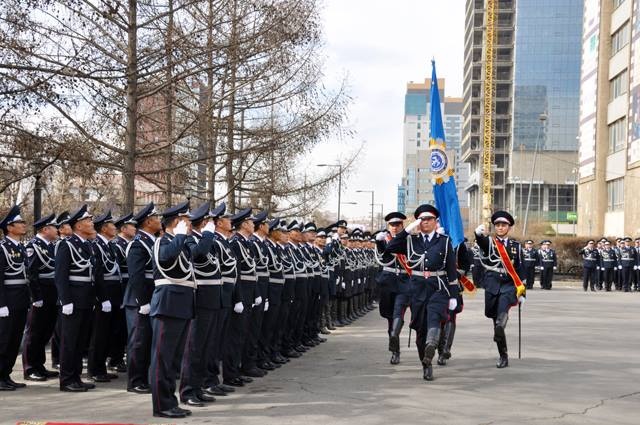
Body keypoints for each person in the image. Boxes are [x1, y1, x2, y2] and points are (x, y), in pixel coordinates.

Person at [385, 204, 459, 381]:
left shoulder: (444, 241)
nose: (425, 223)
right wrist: (406, 232)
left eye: (429, 219)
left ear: (435, 221)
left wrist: (454, 295)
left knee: (434, 317)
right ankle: (426, 363)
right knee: (419, 328)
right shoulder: (411, 240)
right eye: (422, 220)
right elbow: (390, 248)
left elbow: (451, 270)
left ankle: (432, 344)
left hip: (438, 286)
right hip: (417, 288)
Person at [149, 201, 195, 419]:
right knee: (162, 359)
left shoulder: (181, 243)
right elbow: (166, 258)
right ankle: (161, 405)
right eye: (185, 219)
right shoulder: (162, 241)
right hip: (168, 305)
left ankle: (170, 401)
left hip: (182, 305)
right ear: (176, 222)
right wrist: (179, 236)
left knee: (173, 361)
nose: (189, 224)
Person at [178, 203, 219, 407]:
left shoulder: (204, 238)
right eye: (210, 221)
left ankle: (198, 387)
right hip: (199, 298)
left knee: (204, 347)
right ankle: (187, 391)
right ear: (203, 222)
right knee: (193, 348)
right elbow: (199, 254)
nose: (213, 225)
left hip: (211, 298)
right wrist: (208, 235)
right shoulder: (189, 239)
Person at [475, 210, 526, 369]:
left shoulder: (516, 246)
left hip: (508, 285)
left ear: (509, 227)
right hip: (492, 284)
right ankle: (502, 350)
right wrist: (477, 234)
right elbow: (481, 242)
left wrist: (522, 293)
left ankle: (503, 357)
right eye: (497, 225)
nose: (500, 227)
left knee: (500, 319)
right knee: (493, 318)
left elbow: (521, 270)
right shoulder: (489, 243)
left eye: (503, 225)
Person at [55, 204, 97, 392]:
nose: (91, 222)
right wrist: (66, 301)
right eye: (88, 220)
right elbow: (61, 275)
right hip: (73, 300)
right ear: (78, 226)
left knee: (80, 342)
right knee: (69, 341)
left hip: (86, 299)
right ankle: (66, 379)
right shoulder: (67, 245)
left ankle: (76, 377)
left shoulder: (87, 245)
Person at [123, 202, 161, 394]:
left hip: (151, 297)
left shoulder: (152, 241)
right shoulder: (138, 244)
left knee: (148, 340)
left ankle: (144, 377)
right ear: (148, 222)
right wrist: (143, 301)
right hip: (139, 300)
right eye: (156, 218)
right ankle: (135, 381)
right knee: (139, 341)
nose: (159, 221)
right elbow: (136, 276)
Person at [22, 213, 59, 382]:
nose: (57, 230)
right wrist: (36, 297)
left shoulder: (51, 246)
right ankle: (30, 368)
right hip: (40, 293)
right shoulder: (33, 246)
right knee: (34, 332)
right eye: (54, 227)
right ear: (45, 229)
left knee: (46, 331)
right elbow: (32, 273)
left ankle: (40, 365)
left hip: (52, 293)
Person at [88, 210, 121, 383]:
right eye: (112, 225)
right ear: (104, 228)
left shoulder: (109, 245)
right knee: (99, 334)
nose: (115, 228)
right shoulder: (96, 245)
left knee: (108, 333)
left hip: (114, 292)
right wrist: (102, 298)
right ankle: (95, 369)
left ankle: (102, 367)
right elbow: (98, 274)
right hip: (103, 294)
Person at [374, 211, 411, 365]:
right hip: (388, 282)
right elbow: (382, 256)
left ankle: (395, 342)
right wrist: (379, 243)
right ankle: (395, 348)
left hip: (404, 281)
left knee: (398, 312)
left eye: (398, 224)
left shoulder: (409, 240)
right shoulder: (384, 239)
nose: (395, 228)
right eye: (392, 225)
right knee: (390, 316)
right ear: (388, 226)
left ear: (403, 225)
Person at [0, 206, 30, 391]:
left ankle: (6, 374)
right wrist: (1, 304)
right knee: (4, 339)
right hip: (8, 301)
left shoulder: (20, 247)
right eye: (19, 222)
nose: (23, 225)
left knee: (15, 339)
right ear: (10, 227)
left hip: (20, 299)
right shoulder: (3, 248)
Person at [108, 213, 136, 373]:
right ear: (124, 228)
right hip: (121, 287)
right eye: (132, 226)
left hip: (128, 286)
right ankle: (115, 358)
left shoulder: (129, 244)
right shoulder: (118, 245)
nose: (135, 229)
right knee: (117, 327)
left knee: (124, 328)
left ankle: (118, 357)